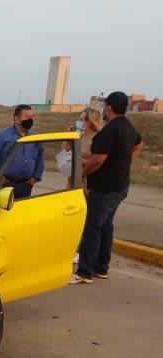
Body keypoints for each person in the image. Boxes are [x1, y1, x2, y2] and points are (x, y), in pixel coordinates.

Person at [70, 92, 143, 284]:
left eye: (104, 106)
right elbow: (139, 144)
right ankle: (102, 268)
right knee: (106, 226)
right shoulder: (128, 127)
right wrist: (125, 162)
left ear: (109, 108)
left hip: (104, 188)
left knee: (92, 228)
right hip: (120, 186)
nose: (103, 109)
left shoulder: (109, 131)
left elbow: (98, 159)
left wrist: (82, 174)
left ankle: (84, 272)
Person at [0, 104, 44, 199]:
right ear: (17, 119)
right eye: (27, 117)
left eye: (32, 117)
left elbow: (40, 156)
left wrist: (36, 176)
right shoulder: (2, 136)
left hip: (27, 185)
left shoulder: (34, 136)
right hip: (7, 183)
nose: (30, 120)